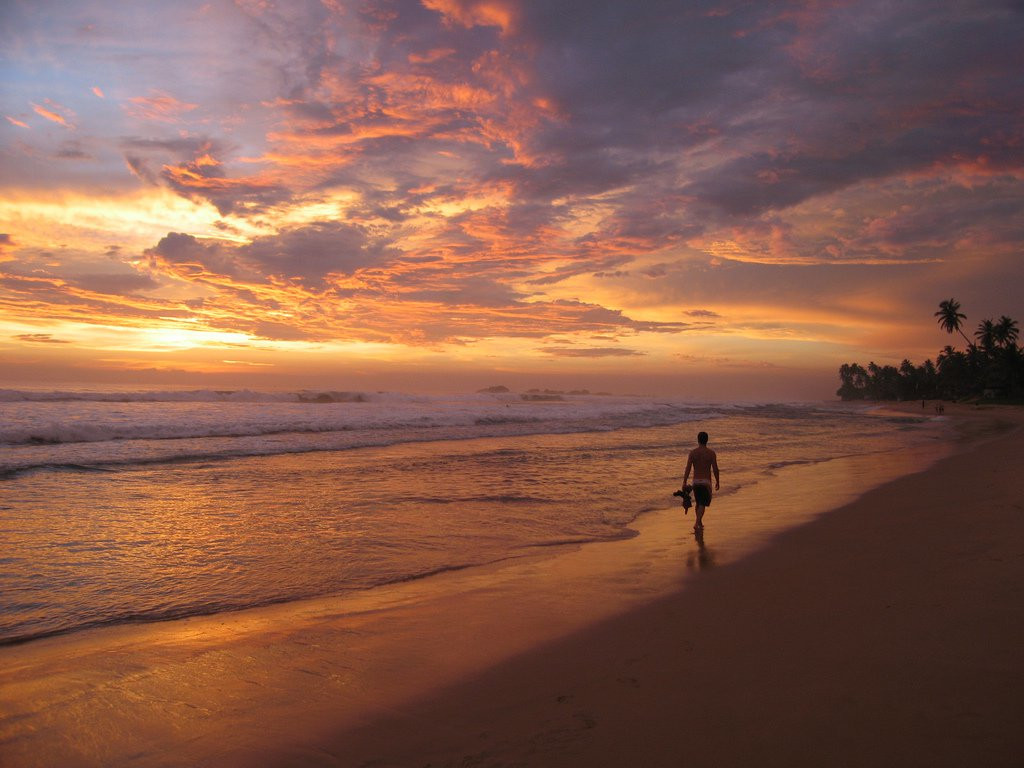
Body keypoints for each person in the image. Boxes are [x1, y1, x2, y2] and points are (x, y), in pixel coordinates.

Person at [682, 431, 719, 532]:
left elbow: (688, 468)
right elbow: (715, 469)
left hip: (696, 482)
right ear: (707, 440)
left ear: (698, 440)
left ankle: (700, 522)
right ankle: (697, 522)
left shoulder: (693, 453)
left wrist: (684, 481)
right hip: (706, 482)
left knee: (698, 503)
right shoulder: (711, 453)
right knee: (702, 503)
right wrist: (717, 481)